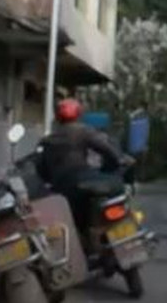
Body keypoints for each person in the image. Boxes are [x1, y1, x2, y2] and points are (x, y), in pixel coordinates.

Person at [37, 98, 131, 240]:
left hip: (63, 187)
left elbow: (42, 171)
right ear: (78, 114)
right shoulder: (82, 130)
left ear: (57, 117)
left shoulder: (48, 140)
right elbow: (107, 150)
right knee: (118, 189)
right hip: (84, 177)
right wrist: (119, 159)